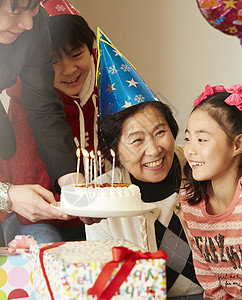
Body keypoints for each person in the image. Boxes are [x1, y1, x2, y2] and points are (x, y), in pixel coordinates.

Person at [0, 13, 102, 244]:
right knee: (46, 255)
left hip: (84, 217)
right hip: (30, 219)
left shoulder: (106, 92)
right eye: (16, 11)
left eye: (33, 9)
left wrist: (74, 185)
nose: (27, 23)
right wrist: (7, 195)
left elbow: (45, 115)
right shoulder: (21, 109)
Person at [86, 101, 203, 298]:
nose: (154, 150)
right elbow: (107, 281)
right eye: (137, 140)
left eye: (160, 132)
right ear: (114, 150)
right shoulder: (100, 195)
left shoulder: (201, 162)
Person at [181, 84, 242, 299]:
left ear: (237, 144)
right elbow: (208, 279)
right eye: (188, 138)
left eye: (202, 139)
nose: (190, 149)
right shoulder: (190, 203)